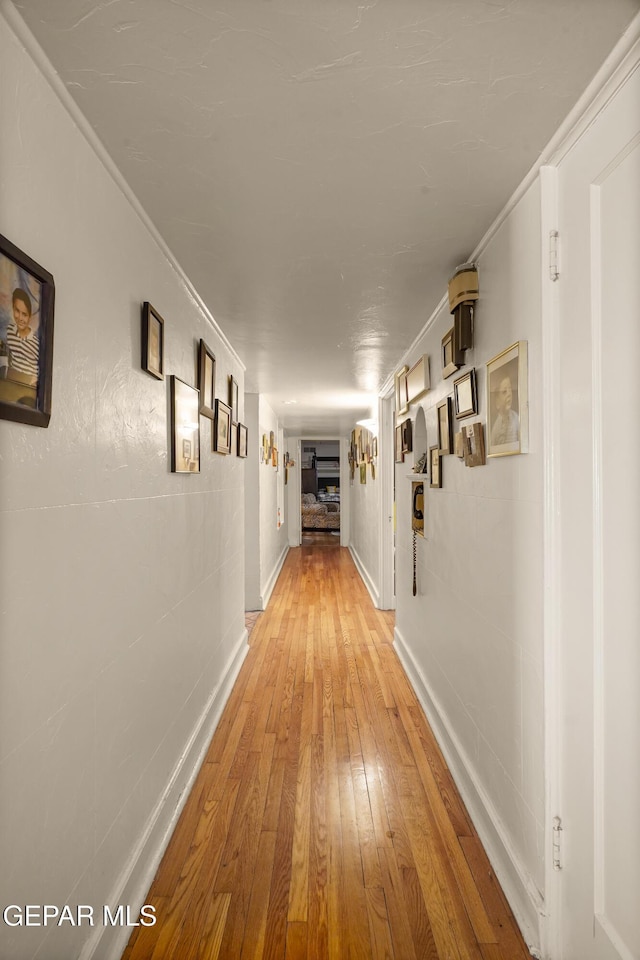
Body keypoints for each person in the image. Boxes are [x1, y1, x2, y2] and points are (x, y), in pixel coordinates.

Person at [6, 287, 39, 386]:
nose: (20, 318)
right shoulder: (9, 331)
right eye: (17, 311)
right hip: (10, 382)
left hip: (26, 388)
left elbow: (37, 377)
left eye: (24, 314)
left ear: (29, 317)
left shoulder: (36, 344)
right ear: (12, 308)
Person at [491, 374, 519, 445]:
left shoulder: (516, 418)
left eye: (510, 390)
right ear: (497, 401)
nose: (509, 394)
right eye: (504, 392)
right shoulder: (496, 428)